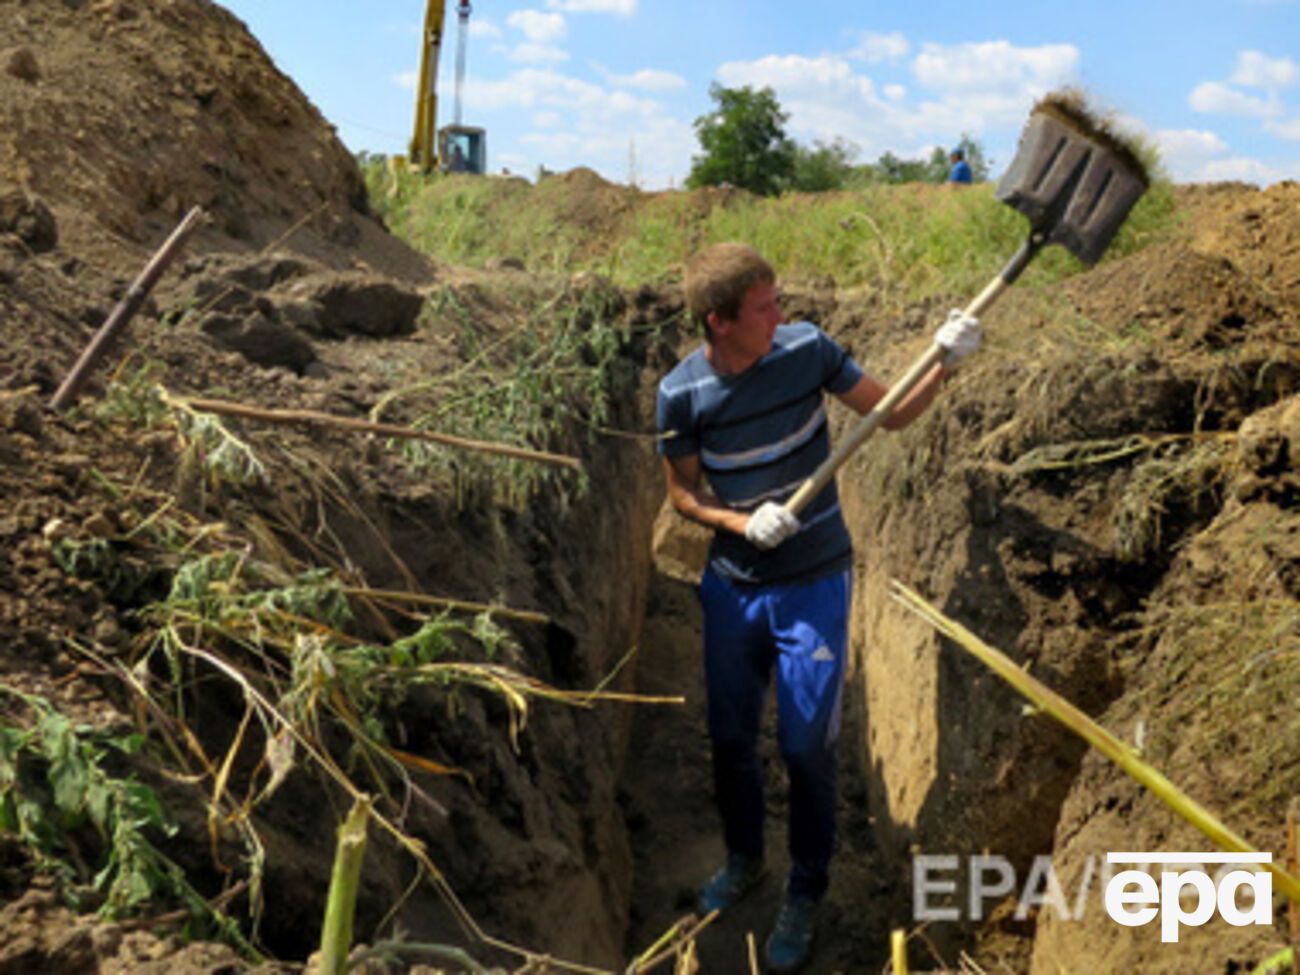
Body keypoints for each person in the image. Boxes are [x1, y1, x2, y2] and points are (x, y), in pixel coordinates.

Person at [655, 243, 980, 973]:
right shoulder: (681, 395)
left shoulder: (808, 351)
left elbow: (892, 415)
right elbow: (683, 494)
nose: (783, 314)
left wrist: (945, 361)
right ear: (721, 321)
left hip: (814, 581)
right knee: (733, 738)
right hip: (734, 585)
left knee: (806, 747)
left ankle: (806, 887)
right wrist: (742, 522)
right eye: (766, 307)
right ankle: (744, 860)